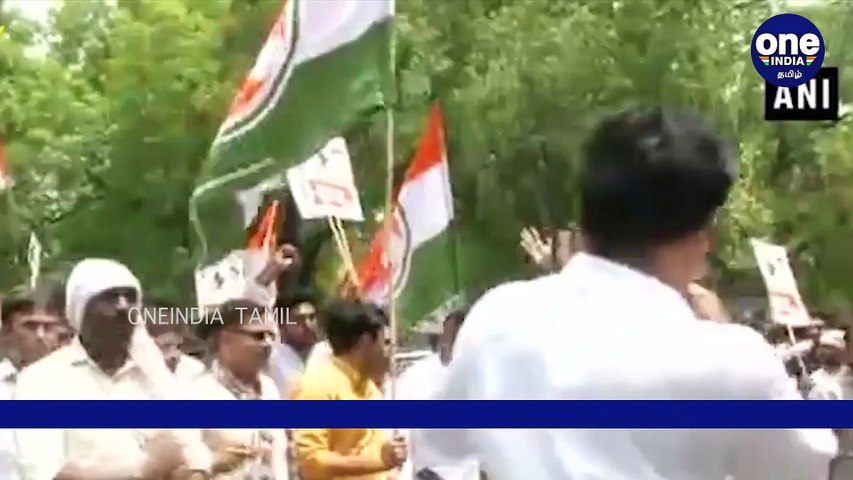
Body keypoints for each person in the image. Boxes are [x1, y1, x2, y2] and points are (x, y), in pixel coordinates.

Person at [419, 108, 837, 480]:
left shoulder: (498, 317)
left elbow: (438, 440)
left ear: (586, 218)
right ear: (703, 236)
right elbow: (801, 467)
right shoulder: (732, 359)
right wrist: (722, 324)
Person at [13, 258, 212, 480]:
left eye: (130, 297)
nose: (123, 307)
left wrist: (193, 470)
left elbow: (193, 451)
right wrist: (143, 469)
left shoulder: (156, 375)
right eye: (109, 298)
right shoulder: (41, 380)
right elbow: (44, 472)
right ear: (81, 312)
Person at [292, 299, 407, 480]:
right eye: (384, 343)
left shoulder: (370, 389)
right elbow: (312, 463)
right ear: (365, 342)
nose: (389, 351)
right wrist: (379, 461)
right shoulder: (317, 386)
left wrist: (390, 465)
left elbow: (377, 452)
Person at [193, 299, 289, 479]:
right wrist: (213, 465)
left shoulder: (269, 389)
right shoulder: (197, 395)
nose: (267, 344)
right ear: (226, 339)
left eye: (271, 336)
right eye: (258, 336)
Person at [397, 308, 480, 480]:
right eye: (454, 335)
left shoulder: (484, 375)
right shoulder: (416, 377)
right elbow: (400, 434)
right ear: (444, 337)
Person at [0, 284, 65, 480]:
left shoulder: (76, 386)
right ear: (6, 333)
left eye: (49, 327)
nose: (40, 336)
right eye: (30, 326)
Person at [267, 289, 320, 398]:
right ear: (281, 324)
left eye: (312, 317)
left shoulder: (324, 354)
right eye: (299, 319)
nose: (308, 325)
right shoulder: (273, 363)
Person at [143, 302, 205, 381]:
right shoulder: (140, 371)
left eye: (168, 345)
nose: (171, 352)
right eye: (163, 347)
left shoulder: (195, 369)